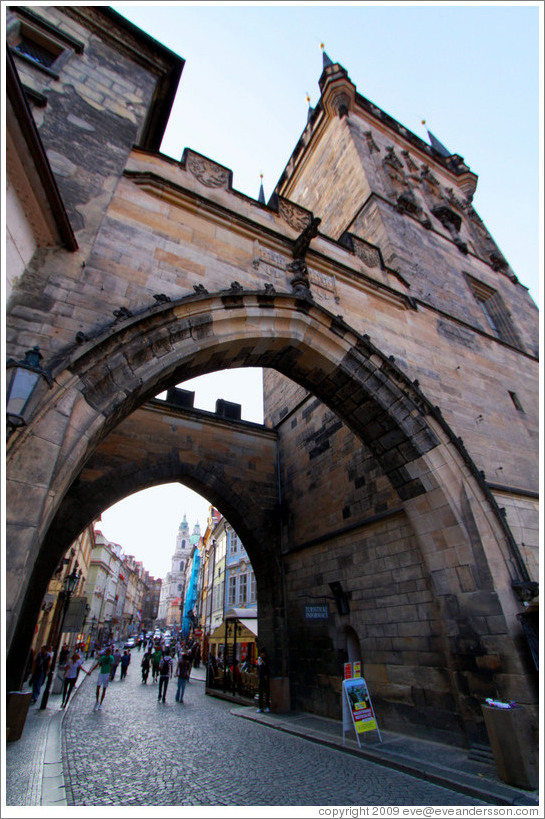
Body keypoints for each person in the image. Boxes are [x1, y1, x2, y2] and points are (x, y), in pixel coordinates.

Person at [257, 647, 271, 713]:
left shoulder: (266, 659)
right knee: (260, 692)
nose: (261, 654)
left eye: (262, 653)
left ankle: (267, 706)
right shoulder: (259, 659)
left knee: (267, 692)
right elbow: (259, 668)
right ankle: (260, 707)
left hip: (265, 677)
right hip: (261, 677)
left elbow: (267, 666)